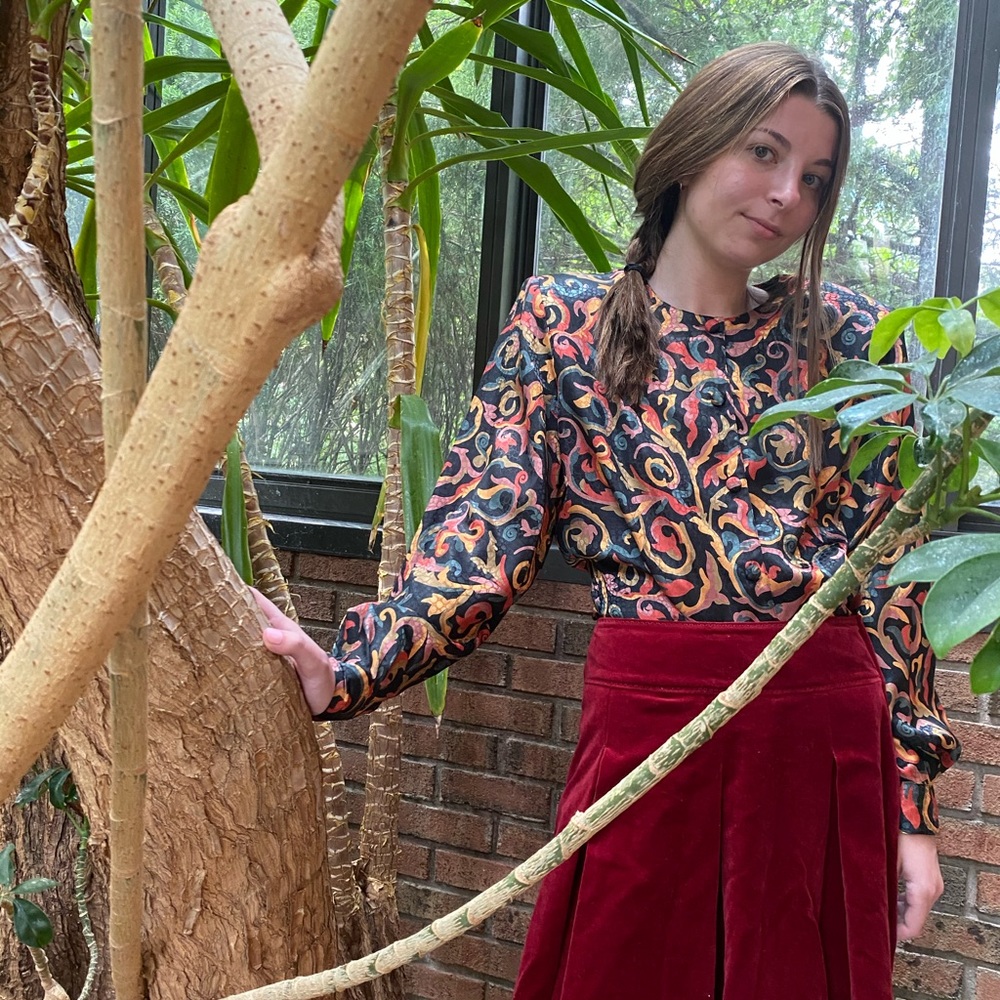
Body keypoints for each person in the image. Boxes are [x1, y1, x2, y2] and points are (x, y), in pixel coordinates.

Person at [254, 41, 959, 1000]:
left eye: (816, 176)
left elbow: (891, 578)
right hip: (647, 731)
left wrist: (912, 805)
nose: (788, 191)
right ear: (692, 146)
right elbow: (480, 540)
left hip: (822, 750)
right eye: (763, 151)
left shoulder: (841, 337)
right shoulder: (563, 326)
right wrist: (347, 671)